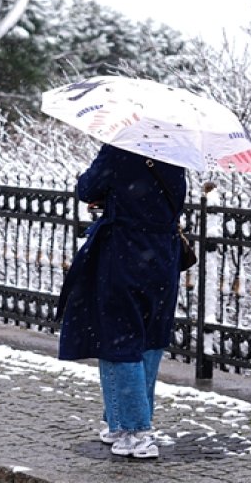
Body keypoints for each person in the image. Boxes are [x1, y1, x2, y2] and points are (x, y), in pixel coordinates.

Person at [56, 143, 187, 460]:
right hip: (163, 259)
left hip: (124, 255)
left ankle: (136, 431)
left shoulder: (120, 150)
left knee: (118, 339)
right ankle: (119, 423)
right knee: (149, 340)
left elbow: (87, 188)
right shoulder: (175, 154)